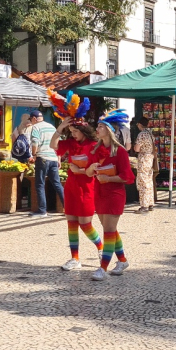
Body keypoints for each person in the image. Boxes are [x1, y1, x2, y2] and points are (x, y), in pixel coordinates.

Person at [48, 90, 103, 270]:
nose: (73, 135)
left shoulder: (94, 145)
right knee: (71, 223)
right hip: (71, 187)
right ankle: (75, 258)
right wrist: (61, 128)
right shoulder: (71, 143)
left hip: (87, 188)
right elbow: (53, 145)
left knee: (85, 224)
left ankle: (102, 248)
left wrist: (80, 169)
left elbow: (97, 167)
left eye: (75, 132)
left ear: (83, 130)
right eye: (70, 132)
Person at [86, 110, 135, 280]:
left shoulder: (120, 152)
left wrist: (109, 177)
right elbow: (87, 172)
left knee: (108, 231)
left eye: (100, 126)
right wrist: (91, 169)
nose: (97, 129)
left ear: (109, 130)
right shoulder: (95, 150)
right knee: (111, 231)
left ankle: (102, 268)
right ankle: (122, 260)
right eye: (97, 126)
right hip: (99, 193)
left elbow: (128, 177)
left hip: (115, 194)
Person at [28, 109, 65, 218]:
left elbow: (35, 142)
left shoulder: (35, 127)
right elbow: (58, 143)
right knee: (57, 183)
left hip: (42, 157)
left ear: (34, 119)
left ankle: (42, 210)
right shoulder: (52, 127)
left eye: (31, 120)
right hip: (53, 158)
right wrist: (58, 158)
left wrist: (34, 155)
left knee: (40, 184)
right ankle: (68, 208)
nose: (31, 122)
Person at [133, 117, 156, 213]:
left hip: (143, 158)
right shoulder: (150, 134)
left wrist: (135, 146)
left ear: (139, 124)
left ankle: (144, 205)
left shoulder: (142, 134)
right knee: (149, 181)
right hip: (150, 158)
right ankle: (150, 203)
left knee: (142, 182)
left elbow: (137, 149)